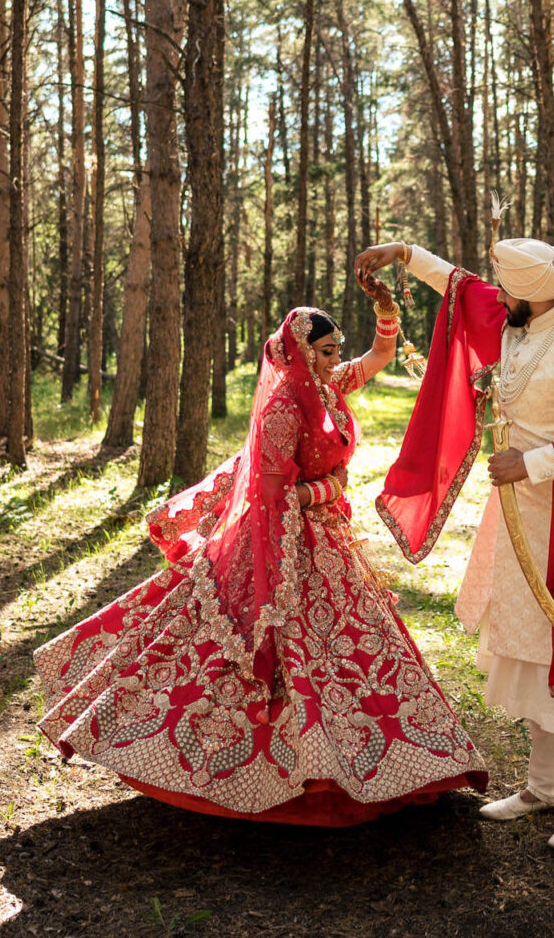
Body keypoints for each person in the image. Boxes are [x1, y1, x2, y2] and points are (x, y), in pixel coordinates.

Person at [32, 288, 488, 825]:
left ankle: (392, 762)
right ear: (297, 350)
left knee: (357, 651)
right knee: (263, 650)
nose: (333, 360)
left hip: (329, 542)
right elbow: (275, 497)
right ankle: (263, 774)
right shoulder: (283, 408)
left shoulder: (327, 387)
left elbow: (379, 358)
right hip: (282, 544)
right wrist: (330, 490)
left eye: (336, 350)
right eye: (322, 351)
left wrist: (386, 311)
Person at [355, 237, 554, 851]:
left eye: (507, 288)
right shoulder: (522, 319)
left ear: (530, 295)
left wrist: (530, 463)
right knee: (531, 651)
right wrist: (406, 254)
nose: (497, 295)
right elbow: (463, 286)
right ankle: (543, 786)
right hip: (518, 521)